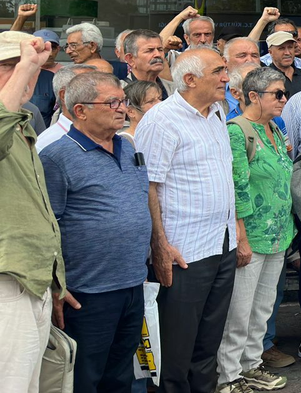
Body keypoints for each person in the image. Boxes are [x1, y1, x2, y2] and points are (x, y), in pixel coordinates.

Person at [135, 47, 237, 393]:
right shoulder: (161, 120)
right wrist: (160, 246)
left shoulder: (217, 112)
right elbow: (148, 186)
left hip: (221, 243)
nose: (227, 78)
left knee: (208, 344)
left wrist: (235, 230)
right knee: (175, 351)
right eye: (218, 71)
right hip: (183, 252)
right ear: (190, 79)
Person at [41, 71, 147, 393]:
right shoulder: (56, 157)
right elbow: (47, 227)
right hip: (88, 293)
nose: (123, 108)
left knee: (120, 374)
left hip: (132, 283)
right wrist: (56, 285)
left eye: (123, 101)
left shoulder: (127, 147)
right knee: (85, 378)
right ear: (81, 110)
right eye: (112, 102)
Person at [218, 67, 293, 393]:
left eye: (284, 93)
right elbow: (237, 188)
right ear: (253, 96)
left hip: (278, 233)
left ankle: (251, 364)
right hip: (251, 234)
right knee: (239, 311)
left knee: (262, 307)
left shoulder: (274, 127)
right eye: (277, 93)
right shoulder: (237, 131)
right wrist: (242, 237)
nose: (284, 99)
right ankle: (228, 375)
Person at [0, 31, 65, 393]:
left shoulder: (25, 122)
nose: (24, 74)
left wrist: (56, 278)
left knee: (29, 384)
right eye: (9, 66)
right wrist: (27, 65)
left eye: (29, 67)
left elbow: (38, 209)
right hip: (7, 281)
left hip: (31, 279)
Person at [36, 63, 95, 152]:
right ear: (64, 95)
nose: (104, 94)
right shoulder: (46, 145)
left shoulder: (111, 136)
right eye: (90, 89)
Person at [123, 29, 176, 98]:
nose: (158, 54)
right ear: (130, 59)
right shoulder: (119, 92)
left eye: (160, 49)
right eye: (149, 50)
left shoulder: (175, 91)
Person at [265, 30, 301, 98]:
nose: (287, 53)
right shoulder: (264, 78)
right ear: (270, 52)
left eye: (290, 47)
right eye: (281, 48)